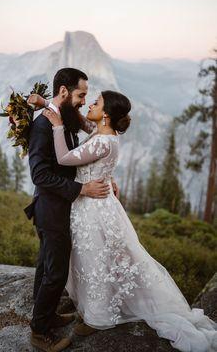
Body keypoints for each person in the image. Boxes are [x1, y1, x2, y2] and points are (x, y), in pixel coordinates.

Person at [41, 90, 217, 352]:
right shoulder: (103, 132)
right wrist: (49, 103)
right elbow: (85, 122)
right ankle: (94, 305)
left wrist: (56, 127)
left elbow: (64, 158)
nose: (91, 103)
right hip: (97, 203)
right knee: (94, 257)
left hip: (93, 208)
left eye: (96, 102)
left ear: (107, 114)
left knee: (95, 259)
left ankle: (98, 317)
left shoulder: (102, 141)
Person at [26, 68, 117, 352]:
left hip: (57, 207)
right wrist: (81, 190)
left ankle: (46, 315)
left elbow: (82, 138)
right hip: (51, 209)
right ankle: (39, 332)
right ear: (64, 92)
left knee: (46, 265)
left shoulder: (59, 115)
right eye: (81, 95)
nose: (83, 100)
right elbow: (39, 175)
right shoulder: (44, 125)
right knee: (56, 272)